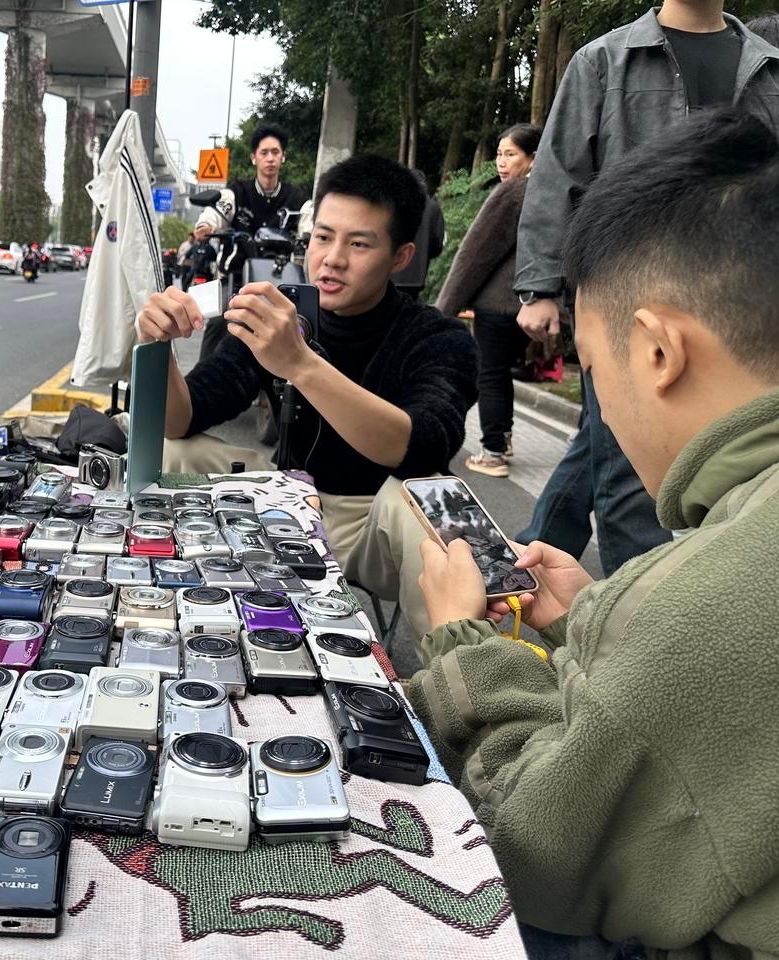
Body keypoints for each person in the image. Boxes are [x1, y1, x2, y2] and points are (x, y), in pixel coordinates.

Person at [409, 109, 779, 959]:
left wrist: (462, 640)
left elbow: (530, 848)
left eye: (592, 366)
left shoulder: (700, 599)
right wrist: (597, 617)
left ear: (657, 352)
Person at [137, 155, 478, 641]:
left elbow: (424, 443)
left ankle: (458, 673)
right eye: (323, 237)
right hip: (284, 498)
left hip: (370, 525)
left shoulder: (436, 337)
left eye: (359, 243)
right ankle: (161, 607)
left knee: (429, 498)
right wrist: (158, 348)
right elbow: (183, 418)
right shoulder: (276, 318)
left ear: (401, 257)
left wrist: (300, 363)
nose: (333, 258)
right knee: (172, 450)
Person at [513, 0, 779, 576]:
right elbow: (557, 175)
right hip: (627, 301)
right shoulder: (604, 61)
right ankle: (637, 613)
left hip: (744, 304)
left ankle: (535, 556)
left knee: (744, 469)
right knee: (629, 477)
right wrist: (539, 290)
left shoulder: (769, 66)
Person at [436, 123, 542, 479]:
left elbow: (476, 254)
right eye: (499, 154)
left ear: (533, 158)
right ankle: (505, 438)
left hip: (498, 304)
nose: (501, 162)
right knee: (503, 372)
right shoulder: (554, 194)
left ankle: (493, 452)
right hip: (532, 304)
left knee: (491, 375)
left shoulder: (513, 193)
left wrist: (445, 308)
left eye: (510, 154)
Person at [193, 123, 310, 360]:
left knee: (303, 326)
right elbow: (218, 209)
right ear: (254, 158)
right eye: (264, 152)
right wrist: (206, 226)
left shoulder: (296, 198)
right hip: (235, 280)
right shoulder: (237, 192)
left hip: (280, 283)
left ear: (283, 157)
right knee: (218, 322)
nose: (270, 158)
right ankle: (201, 379)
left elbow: (311, 220)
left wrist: (314, 236)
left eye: (275, 152)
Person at [390, 170, 444, 300]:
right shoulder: (433, 207)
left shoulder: (391, 204)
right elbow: (437, 244)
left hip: (389, 272)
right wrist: (424, 255)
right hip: (417, 276)